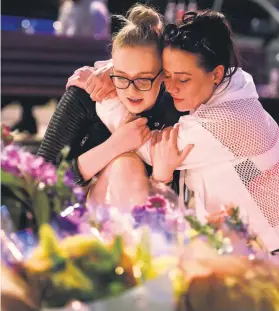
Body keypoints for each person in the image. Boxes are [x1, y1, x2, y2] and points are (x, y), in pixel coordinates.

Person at [67, 10, 279, 252]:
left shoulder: (227, 122)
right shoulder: (232, 87)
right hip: (236, 242)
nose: (171, 87)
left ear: (216, 73)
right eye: (167, 76)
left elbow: (149, 146)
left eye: (183, 79)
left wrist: (102, 96)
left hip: (264, 255)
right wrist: (115, 70)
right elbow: (149, 65)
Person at [38, 4, 186, 207]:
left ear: (162, 76)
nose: (132, 90)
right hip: (76, 219)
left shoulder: (174, 109)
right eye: (122, 77)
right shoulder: (86, 96)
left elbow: (178, 204)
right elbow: (40, 176)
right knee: (125, 163)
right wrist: (114, 146)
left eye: (143, 79)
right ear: (111, 70)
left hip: (145, 227)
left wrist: (162, 177)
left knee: (127, 166)